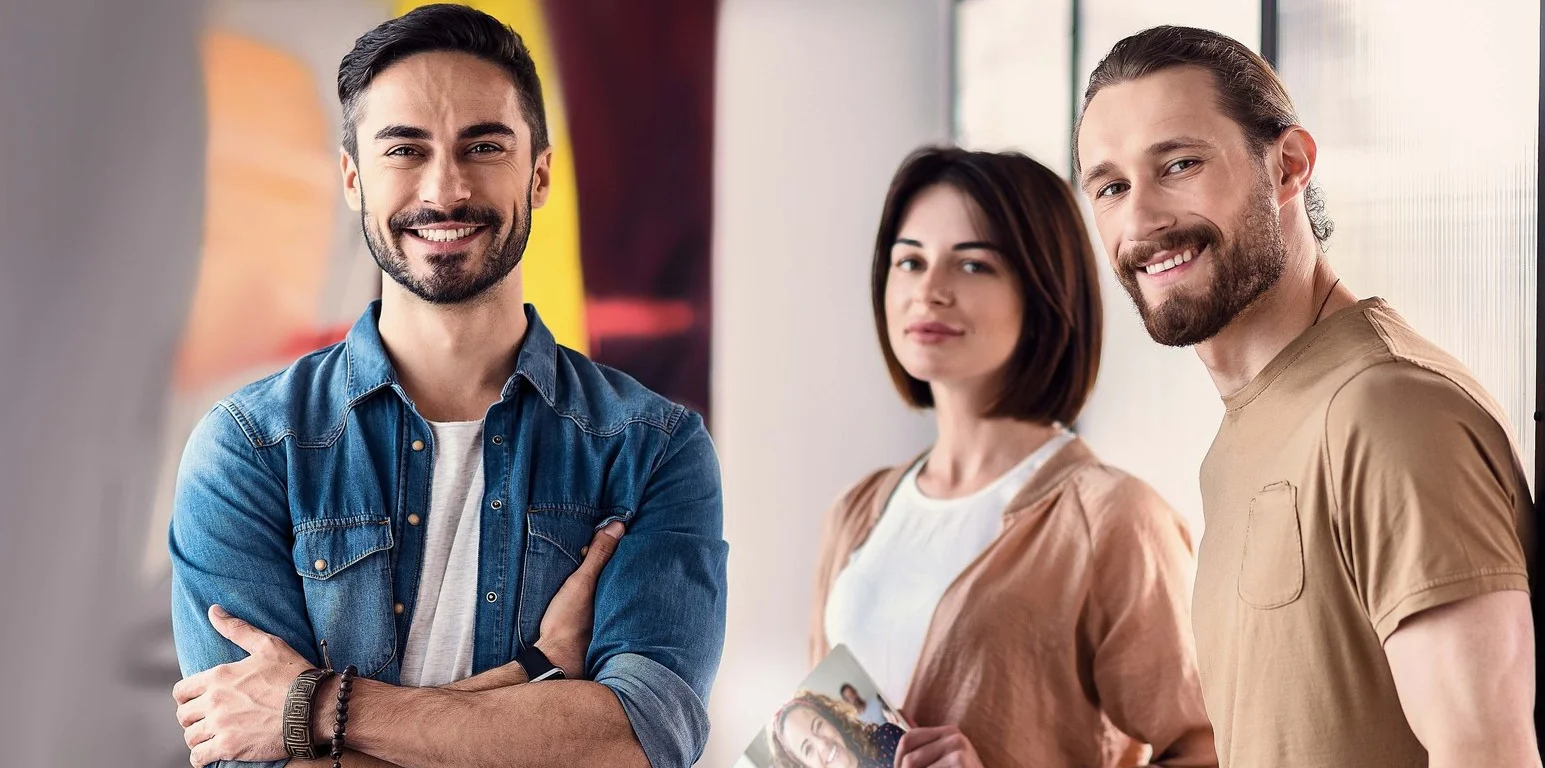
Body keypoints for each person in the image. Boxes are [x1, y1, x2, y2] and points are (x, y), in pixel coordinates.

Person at [167, 5, 726, 767]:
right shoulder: (250, 449)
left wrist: (318, 706)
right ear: (353, 179)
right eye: (405, 149)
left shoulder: (652, 449)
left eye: (483, 145)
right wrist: (539, 675)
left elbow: (638, 741)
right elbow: (253, 754)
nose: (446, 188)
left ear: (540, 174)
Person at [1073, 25, 1540, 768]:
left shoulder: (1387, 412)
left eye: (1180, 164)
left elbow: (1484, 754)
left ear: (1288, 166)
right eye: (1111, 187)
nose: (1141, 220)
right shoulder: (1240, 440)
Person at [809, 147, 1216, 768]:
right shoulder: (858, 510)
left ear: (1044, 292)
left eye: (972, 265)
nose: (929, 291)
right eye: (910, 261)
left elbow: (1209, 748)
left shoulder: (1115, 520)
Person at [769, 691, 905, 768]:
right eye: (808, 749)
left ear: (831, 720)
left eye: (818, 726)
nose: (822, 745)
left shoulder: (888, 738)